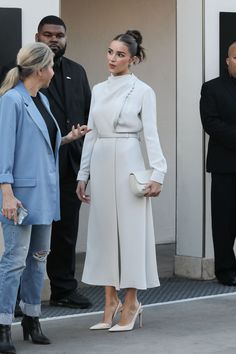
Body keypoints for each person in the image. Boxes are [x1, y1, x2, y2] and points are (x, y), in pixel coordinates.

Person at [0, 42, 89, 354]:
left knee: (38, 261)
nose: (55, 71)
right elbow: (4, 150)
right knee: (13, 261)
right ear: (39, 70)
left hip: (43, 196)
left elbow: (41, 144)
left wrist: (67, 138)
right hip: (19, 198)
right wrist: (6, 194)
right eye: (51, 66)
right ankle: (3, 325)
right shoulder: (11, 101)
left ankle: (32, 319)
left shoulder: (43, 101)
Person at [76, 30, 167, 332]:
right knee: (103, 234)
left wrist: (158, 173)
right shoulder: (98, 89)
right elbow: (92, 134)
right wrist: (83, 174)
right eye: (109, 52)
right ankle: (109, 301)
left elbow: (151, 134)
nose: (112, 59)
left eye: (120, 54)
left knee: (130, 234)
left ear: (134, 59)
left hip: (129, 160)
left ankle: (131, 302)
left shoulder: (144, 91)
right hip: (101, 161)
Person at [35, 16, 91, 309]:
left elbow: (88, 115)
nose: (54, 39)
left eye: (59, 35)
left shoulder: (77, 72)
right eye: (48, 34)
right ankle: (22, 295)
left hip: (71, 166)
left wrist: (86, 163)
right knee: (31, 234)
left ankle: (64, 289)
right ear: (37, 37)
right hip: (35, 168)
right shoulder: (23, 74)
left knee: (66, 232)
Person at [200, 41, 236, 286]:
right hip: (225, 166)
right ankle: (225, 270)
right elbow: (211, 124)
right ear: (227, 60)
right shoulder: (212, 88)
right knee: (224, 222)